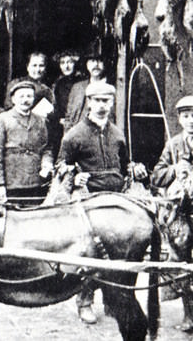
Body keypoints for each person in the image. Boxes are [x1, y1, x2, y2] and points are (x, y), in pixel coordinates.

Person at [58, 81, 146, 324]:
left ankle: (112, 300)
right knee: (90, 255)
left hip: (116, 199)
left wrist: (133, 169)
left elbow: (124, 163)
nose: (102, 105)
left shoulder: (117, 134)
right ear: (89, 102)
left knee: (117, 254)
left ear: (112, 103)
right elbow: (61, 168)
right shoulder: (74, 135)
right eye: (97, 100)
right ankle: (84, 301)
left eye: (106, 101)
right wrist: (75, 176)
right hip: (89, 202)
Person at [0, 79, 54, 203]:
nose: (25, 100)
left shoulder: (40, 121)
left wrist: (47, 163)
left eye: (29, 96)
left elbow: (46, 148)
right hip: (11, 183)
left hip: (36, 182)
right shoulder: (2, 119)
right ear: (13, 99)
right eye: (21, 96)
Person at [63, 53, 109, 129]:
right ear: (87, 64)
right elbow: (69, 117)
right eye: (92, 61)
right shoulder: (77, 87)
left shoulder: (112, 89)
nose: (96, 65)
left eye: (100, 61)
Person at [51, 49, 83, 157]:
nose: (66, 66)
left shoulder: (81, 82)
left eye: (69, 62)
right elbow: (57, 105)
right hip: (63, 124)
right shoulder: (58, 84)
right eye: (63, 63)